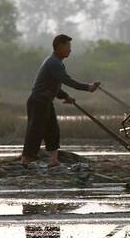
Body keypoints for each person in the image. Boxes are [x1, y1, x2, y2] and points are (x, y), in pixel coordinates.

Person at [21, 34, 99, 167]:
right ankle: (26, 160)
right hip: (38, 101)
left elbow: (54, 86)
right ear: (59, 47)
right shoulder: (54, 63)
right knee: (35, 131)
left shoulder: (57, 62)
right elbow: (67, 80)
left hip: (45, 101)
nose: (70, 50)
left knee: (52, 130)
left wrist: (66, 97)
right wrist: (88, 87)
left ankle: (53, 160)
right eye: (68, 46)